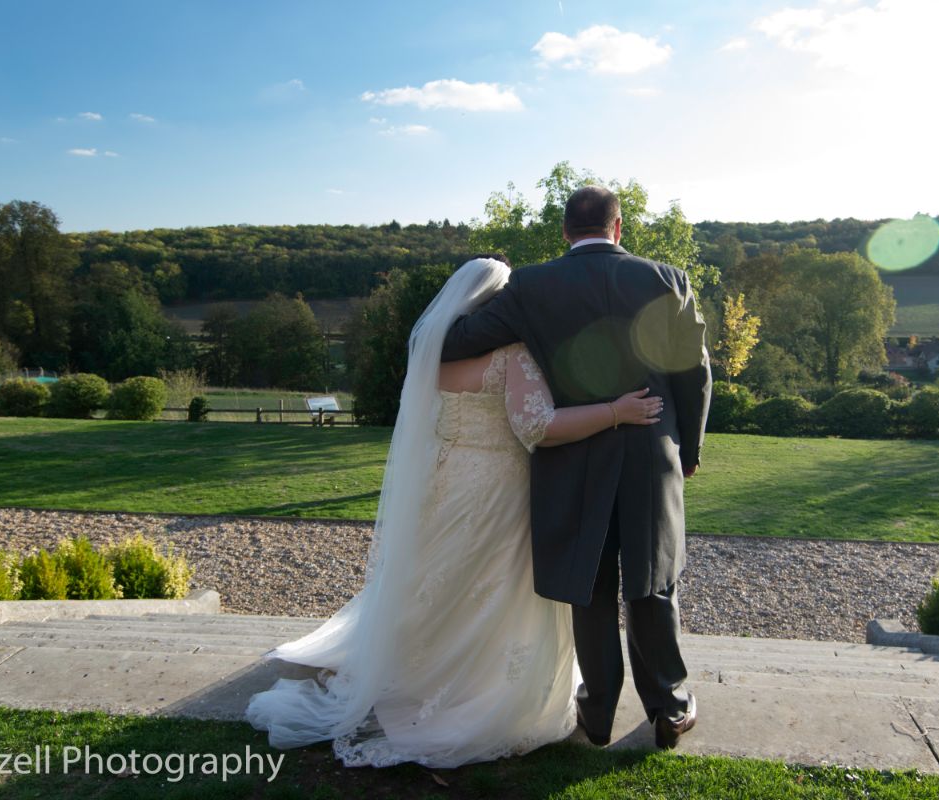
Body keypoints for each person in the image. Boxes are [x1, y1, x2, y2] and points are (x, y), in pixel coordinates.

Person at [244, 255, 665, 768]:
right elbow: (540, 427)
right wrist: (616, 411)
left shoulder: (433, 354)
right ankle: (480, 688)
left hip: (444, 481)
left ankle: (407, 675)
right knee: (494, 584)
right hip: (496, 487)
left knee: (436, 580)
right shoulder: (514, 352)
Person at [441, 186, 712, 749]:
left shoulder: (531, 287)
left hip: (573, 454)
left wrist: (497, 338)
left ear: (566, 232)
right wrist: (687, 452)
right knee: (652, 580)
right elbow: (695, 374)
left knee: (589, 584)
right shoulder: (667, 279)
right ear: (619, 229)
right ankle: (669, 706)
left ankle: (597, 712)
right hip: (649, 449)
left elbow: (455, 342)